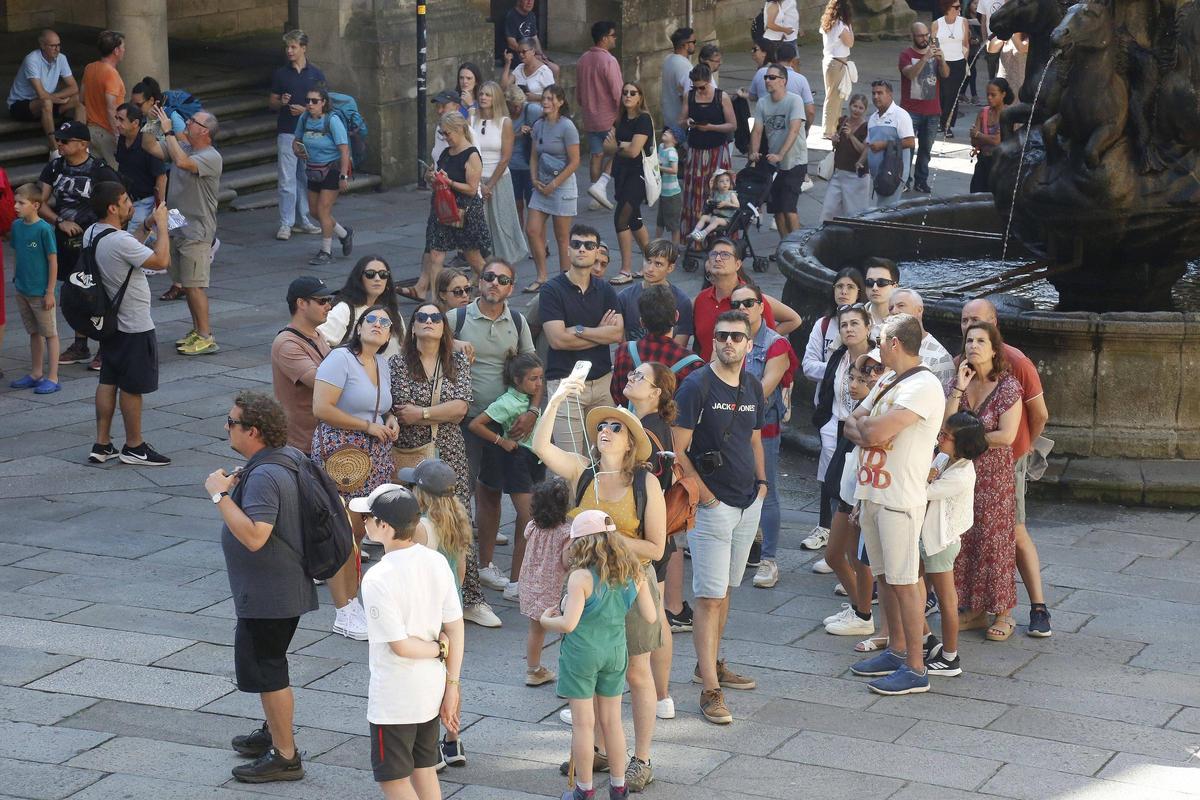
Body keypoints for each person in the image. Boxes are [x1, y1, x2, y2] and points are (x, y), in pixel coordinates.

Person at [533, 387, 666, 793]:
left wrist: (608, 540)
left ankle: (641, 758)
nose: (605, 430)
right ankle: (600, 752)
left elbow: (656, 548)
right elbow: (540, 446)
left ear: (630, 442)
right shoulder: (583, 471)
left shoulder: (645, 483)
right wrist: (557, 399)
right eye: (602, 425)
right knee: (594, 675)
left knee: (637, 673)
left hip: (630, 583)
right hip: (588, 588)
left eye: (616, 427)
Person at [205, 392, 317, 784]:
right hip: (276, 588)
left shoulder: (266, 475)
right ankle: (274, 732)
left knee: (269, 669)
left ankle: (285, 755)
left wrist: (219, 494)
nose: (227, 427)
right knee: (267, 665)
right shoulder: (281, 459)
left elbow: (255, 536)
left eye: (231, 421)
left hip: (271, 593)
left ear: (253, 431)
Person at [672, 310, 767, 723]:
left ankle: (707, 664)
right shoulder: (696, 386)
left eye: (737, 337)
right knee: (709, 598)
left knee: (725, 590)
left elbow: (755, 439)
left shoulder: (752, 385)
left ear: (749, 344)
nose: (729, 342)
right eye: (723, 335)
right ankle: (710, 689)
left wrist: (762, 485)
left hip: (747, 502)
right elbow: (677, 451)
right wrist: (707, 498)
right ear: (713, 340)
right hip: (712, 507)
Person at [844, 313, 945, 696]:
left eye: (880, 341)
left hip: (900, 498)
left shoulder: (923, 386)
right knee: (885, 577)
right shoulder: (888, 379)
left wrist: (870, 431)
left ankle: (916, 668)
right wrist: (869, 432)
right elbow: (853, 422)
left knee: (905, 583)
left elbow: (874, 429)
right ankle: (897, 649)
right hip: (873, 493)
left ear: (895, 344)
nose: (876, 348)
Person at [389, 304, 499, 629]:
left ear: (443, 327)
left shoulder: (457, 360)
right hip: (412, 451)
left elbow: (461, 408)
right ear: (412, 327)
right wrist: (437, 411)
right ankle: (413, 599)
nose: (428, 321)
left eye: (435, 317)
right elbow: (401, 408)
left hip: (450, 449)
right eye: (421, 317)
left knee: (458, 518)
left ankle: (471, 598)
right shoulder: (398, 362)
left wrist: (422, 413)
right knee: (412, 520)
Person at [353, 483, 464, 800]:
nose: (364, 522)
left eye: (368, 517)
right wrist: (452, 684)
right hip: (431, 686)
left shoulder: (377, 578)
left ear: (384, 526)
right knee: (423, 769)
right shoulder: (436, 562)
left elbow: (400, 646)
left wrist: (438, 649)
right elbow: (455, 626)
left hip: (395, 695)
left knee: (393, 780)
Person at [539, 510, 657, 800]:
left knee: (583, 725)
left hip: (581, 654)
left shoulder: (580, 577)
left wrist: (545, 620)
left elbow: (569, 624)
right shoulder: (633, 572)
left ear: (580, 542)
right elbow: (651, 616)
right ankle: (618, 786)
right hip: (615, 652)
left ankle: (584, 789)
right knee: (612, 722)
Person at [960, 298, 1051, 636]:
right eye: (965, 323)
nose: (970, 330)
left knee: (1011, 533)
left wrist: (1023, 449)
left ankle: (1035, 608)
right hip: (968, 467)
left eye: (977, 322)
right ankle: (975, 607)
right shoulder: (962, 367)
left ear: (994, 325)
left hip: (1006, 462)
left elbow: (1039, 415)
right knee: (970, 535)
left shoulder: (1017, 364)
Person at [449, 259, 538, 592]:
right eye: (489, 277)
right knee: (461, 495)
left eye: (503, 280)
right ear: (479, 280)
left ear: (511, 287)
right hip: (463, 420)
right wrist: (452, 343)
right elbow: (421, 342)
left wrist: (533, 411)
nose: (495, 283)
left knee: (497, 495)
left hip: (506, 425)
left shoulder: (517, 320)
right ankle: (462, 570)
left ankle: (490, 568)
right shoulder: (456, 318)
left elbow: (535, 371)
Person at [311, 304, 400, 639]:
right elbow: (321, 408)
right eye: (370, 320)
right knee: (343, 531)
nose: (377, 325)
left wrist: (389, 419)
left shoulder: (381, 363)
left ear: (389, 333)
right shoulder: (340, 359)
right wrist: (367, 426)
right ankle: (344, 609)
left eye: (384, 322)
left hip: (373, 454)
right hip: (342, 454)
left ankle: (353, 601)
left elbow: (382, 406)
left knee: (359, 531)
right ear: (358, 327)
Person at [944, 321, 1023, 641]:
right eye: (969, 341)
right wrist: (959, 388)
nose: (973, 346)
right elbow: (947, 424)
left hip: (993, 477)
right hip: (962, 471)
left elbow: (1007, 435)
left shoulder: (1007, 387)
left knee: (994, 542)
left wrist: (968, 439)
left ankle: (1004, 613)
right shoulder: (960, 380)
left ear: (993, 350)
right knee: (964, 539)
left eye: (980, 341)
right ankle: (975, 610)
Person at [84, 181, 172, 467]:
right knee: (132, 386)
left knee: (108, 380)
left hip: (110, 323)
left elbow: (127, 247)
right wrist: (162, 226)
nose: (130, 204)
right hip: (133, 323)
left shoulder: (92, 233)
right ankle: (134, 446)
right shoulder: (119, 241)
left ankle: (102, 443)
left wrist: (146, 225)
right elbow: (161, 261)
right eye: (125, 201)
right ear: (112, 208)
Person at [396, 458, 474, 768]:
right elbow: (462, 571)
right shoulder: (458, 521)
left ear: (422, 494)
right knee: (451, 676)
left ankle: (429, 748)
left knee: (427, 676)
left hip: (427, 612)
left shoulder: (421, 528)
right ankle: (453, 741)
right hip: (451, 607)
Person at [621, 359, 684, 724]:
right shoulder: (657, 426)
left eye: (639, 376)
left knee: (631, 617)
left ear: (656, 392)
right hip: (658, 535)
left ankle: (625, 693)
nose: (632, 377)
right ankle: (662, 696)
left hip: (636, 537)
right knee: (657, 615)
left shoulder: (642, 431)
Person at [38, 120, 121, 369]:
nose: (59, 144)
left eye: (65, 141)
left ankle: (107, 346)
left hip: (95, 241)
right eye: (58, 140)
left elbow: (119, 206)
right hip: (67, 242)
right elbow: (39, 203)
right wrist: (60, 221)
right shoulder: (55, 167)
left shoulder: (100, 171)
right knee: (77, 292)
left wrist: (111, 237)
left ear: (83, 144)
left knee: (100, 294)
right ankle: (80, 344)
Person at [730, 284, 796, 590]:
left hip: (761, 427)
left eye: (748, 302)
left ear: (761, 306)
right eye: (736, 304)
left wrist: (725, 403)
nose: (742, 308)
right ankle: (742, 550)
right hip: (729, 426)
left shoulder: (775, 344)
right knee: (734, 489)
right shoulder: (729, 339)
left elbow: (763, 391)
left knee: (765, 488)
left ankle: (769, 559)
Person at [538, 224, 624, 458]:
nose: (582, 249)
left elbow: (617, 334)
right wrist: (600, 333)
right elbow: (557, 340)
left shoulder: (606, 290)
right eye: (576, 244)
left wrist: (579, 330)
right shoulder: (551, 290)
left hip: (602, 384)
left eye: (589, 245)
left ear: (597, 252)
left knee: (605, 460)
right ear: (568, 250)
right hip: (566, 386)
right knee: (570, 465)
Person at [466, 353, 546, 595]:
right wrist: (501, 441)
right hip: (517, 460)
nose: (539, 384)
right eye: (533, 379)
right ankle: (515, 583)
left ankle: (519, 580)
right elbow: (476, 424)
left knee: (529, 518)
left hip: (534, 458)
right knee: (529, 517)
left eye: (541, 378)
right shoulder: (507, 402)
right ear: (517, 380)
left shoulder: (528, 399)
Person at [820, 351, 886, 637]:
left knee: (854, 556)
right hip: (848, 487)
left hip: (862, 491)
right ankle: (859, 608)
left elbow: (867, 439)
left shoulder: (881, 407)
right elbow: (850, 430)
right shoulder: (862, 407)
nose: (856, 384)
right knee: (840, 554)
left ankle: (863, 613)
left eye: (865, 377)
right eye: (853, 377)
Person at [920, 410, 988, 677]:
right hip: (929, 539)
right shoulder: (945, 458)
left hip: (940, 542)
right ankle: (926, 640)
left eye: (946, 436)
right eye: (942, 433)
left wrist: (924, 475)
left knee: (947, 600)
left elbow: (923, 490)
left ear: (962, 445)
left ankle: (950, 657)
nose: (940, 439)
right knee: (916, 590)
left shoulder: (961, 475)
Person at [152, 106, 223, 356]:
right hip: (177, 224)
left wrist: (168, 132)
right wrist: (151, 123)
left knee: (195, 286)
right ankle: (197, 330)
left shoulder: (211, 156)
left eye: (193, 121)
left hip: (197, 230)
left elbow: (182, 162)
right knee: (185, 283)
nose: (188, 123)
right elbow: (151, 148)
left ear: (204, 131)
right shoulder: (185, 147)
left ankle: (206, 336)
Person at [802, 267, 865, 550]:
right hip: (831, 412)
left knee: (853, 475)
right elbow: (808, 366)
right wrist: (835, 367)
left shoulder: (871, 345)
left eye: (850, 287)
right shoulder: (824, 325)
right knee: (829, 473)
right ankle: (825, 528)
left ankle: (849, 535)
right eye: (839, 286)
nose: (843, 291)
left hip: (859, 419)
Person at [811, 304, 873, 553]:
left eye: (855, 323)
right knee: (832, 482)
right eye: (844, 325)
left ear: (868, 327)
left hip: (863, 429)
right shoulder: (838, 356)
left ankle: (854, 549)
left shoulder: (877, 360)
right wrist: (824, 421)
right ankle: (827, 533)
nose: (848, 329)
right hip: (835, 424)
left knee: (855, 486)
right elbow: (829, 390)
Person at [418, 113, 491, 299]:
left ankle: (494, 286)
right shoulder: (445, 153)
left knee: (473, 257)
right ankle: (436, 300)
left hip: (465, 211)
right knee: (435, 254)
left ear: (459, 129)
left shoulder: (471, 155)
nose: (445, 137)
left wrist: (449, 182)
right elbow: (435, 177)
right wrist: (430, 177)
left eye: (447, 133)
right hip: (443, 209)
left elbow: (472, 189)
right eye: (442, 133)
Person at [692, 239, 798, 362]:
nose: (718, 258)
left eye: (725, 254)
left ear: (737, 264)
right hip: (706, 370)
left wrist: (758, 340)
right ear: (707, 264)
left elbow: (792, 321)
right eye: (714, 254)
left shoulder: (751, 301)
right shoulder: (701, 299)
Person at [525, 86, 581, 293]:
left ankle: (565, 279)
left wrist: (554, 185)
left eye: (550, 98)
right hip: (542, 184)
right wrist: (534, 179)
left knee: (562, 237)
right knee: (532, 230)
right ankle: (542, 276)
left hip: (562, 185)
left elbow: (575, 162)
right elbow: (533, 156)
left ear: (560, 102)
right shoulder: (538, 125)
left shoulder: (567, 127)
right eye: (544, 98)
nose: (545, 102)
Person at [270, 30, 324, 241]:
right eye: (287, 47)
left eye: (293, 47)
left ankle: (303, 219)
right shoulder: (281, 74)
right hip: (287, 131)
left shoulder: (316, 74)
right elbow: (272, 103)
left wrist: (305, 111)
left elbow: (324, 106)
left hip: (310, 133)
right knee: (287, 179)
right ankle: (286, 223)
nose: (289, 51)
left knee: (305, 177)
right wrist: (281, 102)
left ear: (303, 48)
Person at [518, 477, 572, 686]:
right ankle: (569, 674)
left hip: (531, 584)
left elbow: (526, 537)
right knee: (567, 629)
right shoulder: (566, 533)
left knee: (536, 629)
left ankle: (533, 670)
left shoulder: (532, 526)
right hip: (554, 588)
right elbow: (566, 562)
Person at [8, 183, 61, 395]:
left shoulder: (44, 229)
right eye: (15, 202)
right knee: (33, 332)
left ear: (36, 205)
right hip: (23, 289)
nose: (15, 206)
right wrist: (16, 278)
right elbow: (16, 252)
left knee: (50, 333)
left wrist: (50, 291)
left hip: (40, 292)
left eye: (21, 203)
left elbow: (53, 261)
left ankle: (53, 377)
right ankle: (36, 373)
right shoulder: (16, 226)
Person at [612, 284, 703, 405]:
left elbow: (617, 394)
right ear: (676, 316)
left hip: (632, 417)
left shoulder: (624, 351)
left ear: (642, 322)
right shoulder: (693, 364)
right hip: (670, 418)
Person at [271, 276, 333, 453]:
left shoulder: (317, 334)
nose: (329, 306)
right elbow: (321, 382)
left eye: (329, 300)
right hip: (303, 446)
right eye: (322, 301)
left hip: (322, 439)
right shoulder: (287, 344)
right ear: (301, 303)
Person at [293, 86, 353, 266]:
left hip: (331, 169)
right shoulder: (304, 118)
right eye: (308, 101)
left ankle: (326, 251)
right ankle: (344, 233)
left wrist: (343, 176)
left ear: (323, 102)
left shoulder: (332, 121)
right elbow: (296, 140)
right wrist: (297, 150)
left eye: (315, 101)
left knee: (323, 211)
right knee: (314, 212)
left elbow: (344, 150)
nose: (310, 104)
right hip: (313, 169)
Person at [472, 81, 529, 266]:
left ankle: (506, 267)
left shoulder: (505, 122)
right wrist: (479, 184)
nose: (483, 97)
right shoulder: (472, 119)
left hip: (499, 179)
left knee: (502, 224)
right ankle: (483, 268)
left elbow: (505, 158)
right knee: (479, 228)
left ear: (495, 98)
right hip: (477, 179)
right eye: (481, 94)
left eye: (488, 95)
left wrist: (489, 185)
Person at [749, 62, 807, 238]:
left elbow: (794, 130)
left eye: (772, 77)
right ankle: (784, 245)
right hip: (773, 164)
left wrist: (781, 154)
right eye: (766, 77)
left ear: (783, 81)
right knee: (777, 210)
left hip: (795, 161)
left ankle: (796, 247)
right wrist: (754, 152)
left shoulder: (794, 101)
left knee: (789, 208)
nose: (767, 80)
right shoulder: (762, 103)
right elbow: (757, 130)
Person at [7, 29, 85, 156]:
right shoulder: (32, 59)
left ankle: (78, 145)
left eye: (58, 45)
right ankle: (55, 150)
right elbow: (41, 94)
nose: (57, 49)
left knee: (79, 99)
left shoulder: (61, 58)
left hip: (47, 102)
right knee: (46, 102)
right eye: (53, 46)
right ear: (43, 45)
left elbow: (73, 87)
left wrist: (56, 98)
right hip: (21, 105)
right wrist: (59, 100)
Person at [606, 82, 654, 285]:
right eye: (625, 92)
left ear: (640, 97)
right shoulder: (620, 119)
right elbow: (606, 146)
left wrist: (618, 147)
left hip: (638, 175)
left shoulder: (643, 119)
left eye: (633, 93)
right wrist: (622, 146)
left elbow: (634, 151)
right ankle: (652, 262)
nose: (628, 96)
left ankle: (625, 270)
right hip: (622, 174)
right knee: (634, 221)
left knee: (621, 219)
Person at [680, 64, 735, 238]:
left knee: (719, 191)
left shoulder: (721, 97)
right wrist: (687, 122)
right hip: (696, 151)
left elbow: (732, 125)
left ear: (709, 80)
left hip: (717, 150)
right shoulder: (689, 96)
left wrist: (711, 127)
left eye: (702, 87)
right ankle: (695, 236)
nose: (699, 90)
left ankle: (718, 237)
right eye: (696, 87)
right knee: (695, 193)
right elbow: (680, 120)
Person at [577, 21, 623, 211]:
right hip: (609, 118)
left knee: (596, 155)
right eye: (613, 35)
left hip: (589, 117)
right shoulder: (609, 61)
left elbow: (579, 94)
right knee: (621, 152)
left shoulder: (583, 59)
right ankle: (601, 185)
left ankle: (595, 195)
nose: (615, 39)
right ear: (604, 38)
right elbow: (618, 93)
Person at [318, 256, 405, 357]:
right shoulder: (345, 309)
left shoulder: (392, 311)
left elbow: (404, 345)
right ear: (359, 278)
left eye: (383, 274)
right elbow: (318, 340)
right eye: (370, 274)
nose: (377, 279)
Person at [614, 239, 694, 347]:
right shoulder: (625, 297)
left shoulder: (681, 301)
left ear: (670, 268)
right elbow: (621, 340)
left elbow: (679, 346)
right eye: (648, 261)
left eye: (658, 264)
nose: (650, 269)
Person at [898, 25, 948, 193]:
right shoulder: (906, 55)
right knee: (907, 149)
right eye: (920, 36)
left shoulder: (935, 53)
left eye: (926, 35)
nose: (924, 38)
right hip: (910, 111)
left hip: (932, 111)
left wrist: (942, 61)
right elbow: (910, 74)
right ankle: (904, 180)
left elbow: (946, 74)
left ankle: (921, 181)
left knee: (926, 150)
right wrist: (925, 58)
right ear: (912, 36)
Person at [114, 104, 168, 235]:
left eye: (121, 120)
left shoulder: (149, 143)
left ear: (135, 123)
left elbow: (161, 177)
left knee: (134, 238)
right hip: (128, 199)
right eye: (116, 118)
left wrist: (159, 207)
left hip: (146, 201)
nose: (116, 124)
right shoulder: (122, 138)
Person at [820, 93, 872, 224]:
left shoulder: (867, 127)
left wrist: (851, 136)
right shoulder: (843, 121)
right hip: (839, 173)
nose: (857, 110)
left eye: (860, 108)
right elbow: (837, 146)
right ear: (850, 106)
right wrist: (834, 141)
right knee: (829, 210)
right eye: (855, 106)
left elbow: (864, 150)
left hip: (856, 176)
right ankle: (826, 233)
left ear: (865, 110)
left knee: (854, 214)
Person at [888, 288, 955, 385]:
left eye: (901, 305)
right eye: (891, 308)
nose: (894, 311)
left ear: (919, 310)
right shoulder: (886, 348)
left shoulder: (939, 358)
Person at [80, 30, 125, 168]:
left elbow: (82, 98)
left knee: (95, 173)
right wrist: (118, 135)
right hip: (108, 133)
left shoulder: (89, 68)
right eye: (123, 47)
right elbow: (111, 108)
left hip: (91, 131)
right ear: (116, 51)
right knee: (117, 173)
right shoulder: (111, 74)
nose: (124, 50)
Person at [505, 81, 543, 229]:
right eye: (513, 106)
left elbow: (547, 125)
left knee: (533, 205)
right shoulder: (503, 114)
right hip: (511, 165)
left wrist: (533, 131)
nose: (517, 109)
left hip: (529, 165)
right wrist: (517, 134)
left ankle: (536, 236)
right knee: (516, 205)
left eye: (520, 105)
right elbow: (500, 139)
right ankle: (519, 236)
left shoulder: (531, 110)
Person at [932, 0, 971, 135]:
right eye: (956, 7)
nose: (959, 9)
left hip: (958, 62)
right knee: (942, 93)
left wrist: (965, 58)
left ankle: (947, 125)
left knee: (953, 95)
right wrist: (937, 58)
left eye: (960, 6)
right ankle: (940, 121)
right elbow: (933, 44)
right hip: (942, 61)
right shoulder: (936, 24)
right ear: (947, 7)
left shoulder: (963, 21)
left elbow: (965, 43)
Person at [969, 77, 1012, 193]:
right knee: (976, 194)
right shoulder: (983, 112)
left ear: (1003, 94)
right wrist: (985, 138)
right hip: (983, 161)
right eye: (988, 94)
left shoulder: (1008, 114)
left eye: (993, 95)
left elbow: (997, 141)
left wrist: (978, 134)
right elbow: (973, 141)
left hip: (1000, 165)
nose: (989, 98)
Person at [821, 0, 856, 139]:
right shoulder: (841, 25)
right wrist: (850, 26)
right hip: (837, 63)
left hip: (832, 62)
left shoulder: (829, 23)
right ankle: (828, 131)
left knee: (834, 96)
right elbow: (850, 42)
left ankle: (833, 128)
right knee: (833, 98)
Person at [503, 0, 559, 80]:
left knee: (555, 69)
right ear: (519, 1)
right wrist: (530, 54)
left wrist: (541, 54)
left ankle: (551, 88)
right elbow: (511, 43)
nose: (530, 2)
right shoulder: (511, 16)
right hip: (517, 56)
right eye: (527, 0)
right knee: (547, 69)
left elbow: (534, 38)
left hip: (530, 54)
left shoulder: (531, 15)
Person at [661, 28, 696, 143]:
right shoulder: (685, 66)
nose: (695, 45)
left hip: (668, 121)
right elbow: (686, 97)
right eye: (693, 42)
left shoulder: (668, 59)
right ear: (685, 45)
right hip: (680, 126)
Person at [687, 169, 739, 244]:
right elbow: (712, 201)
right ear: (716, 184)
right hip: (715, 216)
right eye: (721, 181)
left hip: (726, 219)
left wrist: (727, 203)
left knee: (716, 221)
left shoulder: (731, 194)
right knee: (704, 217)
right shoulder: (716, 193)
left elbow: (737, 205)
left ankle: (703, 234)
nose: (725, 183)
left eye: (727, 180)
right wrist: (710, 201)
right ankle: (695, 232)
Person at [502, 38, 555, 103]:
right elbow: (504, 87)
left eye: (524, 52)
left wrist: (536, 97)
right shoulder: (519, 68)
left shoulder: (544, 71)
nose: (521, 55)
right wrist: (507, 64)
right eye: (519, 52)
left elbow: (553, 95)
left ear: (533, 51)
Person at [655, 128, 683, 244]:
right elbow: (657, 159)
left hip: (672, 194)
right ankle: (656, 245)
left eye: (671, 132)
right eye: (666, 131)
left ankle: (675, 248)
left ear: (675, 140)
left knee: (673, 224)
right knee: (660, 221)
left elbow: (674, 170)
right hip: (663, 192)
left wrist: (658, 167)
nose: (666, 132)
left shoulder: (672, 152)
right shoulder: (661, 147)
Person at [863, 257, 900, 330]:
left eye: (881, 282)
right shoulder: (852, 318)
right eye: (869, 282)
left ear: (895, 287)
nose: (874, 288)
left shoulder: (906, 320)